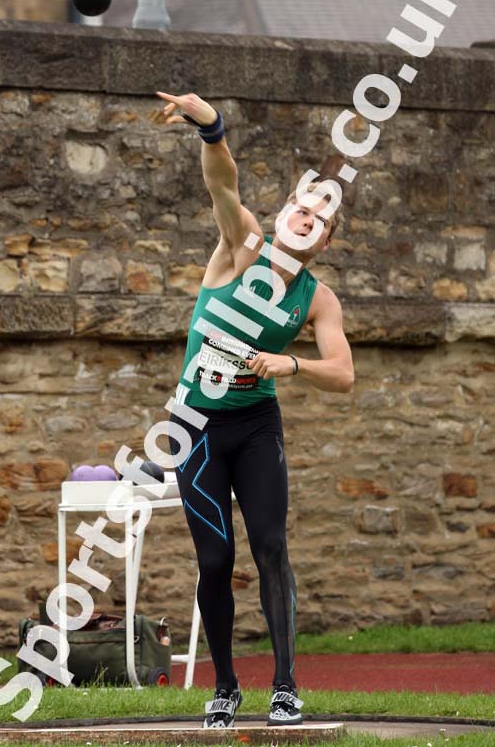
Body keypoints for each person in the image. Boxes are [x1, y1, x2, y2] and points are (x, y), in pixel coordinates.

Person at [154, 91, 354, 728]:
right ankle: (226, 688)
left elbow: (343, 375)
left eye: (318, 217)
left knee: (271, 547)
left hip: (256, 425)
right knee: (215, 561)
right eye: (300, 205)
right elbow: (222, 186)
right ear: (284, 210)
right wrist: (212, 127)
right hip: (196, 427)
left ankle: (286, 685)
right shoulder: (242, 249)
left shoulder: (318, 299)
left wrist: (289, 364)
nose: (305, 217)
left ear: (324, 241)